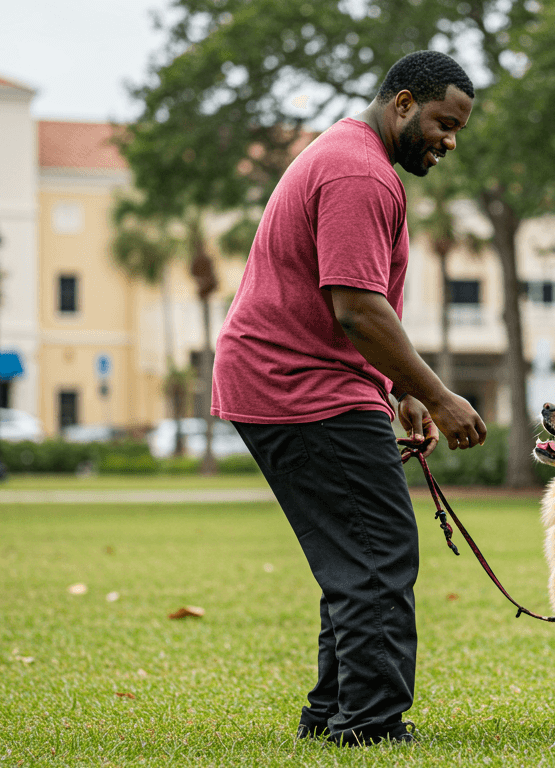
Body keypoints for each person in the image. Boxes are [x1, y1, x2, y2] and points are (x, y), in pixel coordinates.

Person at [211, 50, 487, 746]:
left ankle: (334, 714)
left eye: (457, 129)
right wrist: (441, 395)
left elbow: (360, 311)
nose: (449, 141)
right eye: (442, 123)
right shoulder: (359, 170)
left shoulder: (348, 156)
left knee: (357, 556)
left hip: (303, 382)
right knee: (377, 553)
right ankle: (367, 726)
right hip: (298, 385)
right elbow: (357, 309)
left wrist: (400, 390)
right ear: (402, 103)